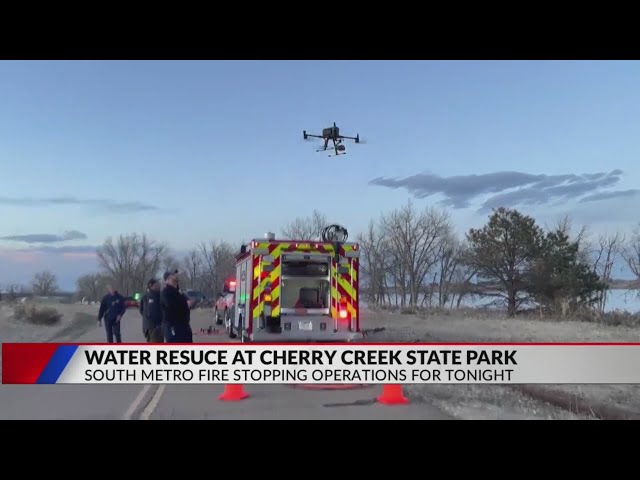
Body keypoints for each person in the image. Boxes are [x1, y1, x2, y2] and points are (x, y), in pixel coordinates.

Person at [161, 270, 193, 343]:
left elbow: (184, 302)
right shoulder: (166, 292)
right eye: (173, 275)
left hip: (184, 326)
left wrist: (189, 304)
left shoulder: (178, 292)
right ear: (167, 279)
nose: (176, 276)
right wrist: (185, 304)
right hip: (173, 327)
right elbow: (171, 306)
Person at [140, 278, 164, 343]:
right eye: (157, 284)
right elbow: (142, 310)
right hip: (152, 327)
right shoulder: (148, 296)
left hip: (157, 327)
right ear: (152, 285)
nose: (159, 285)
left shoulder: (160, 295)